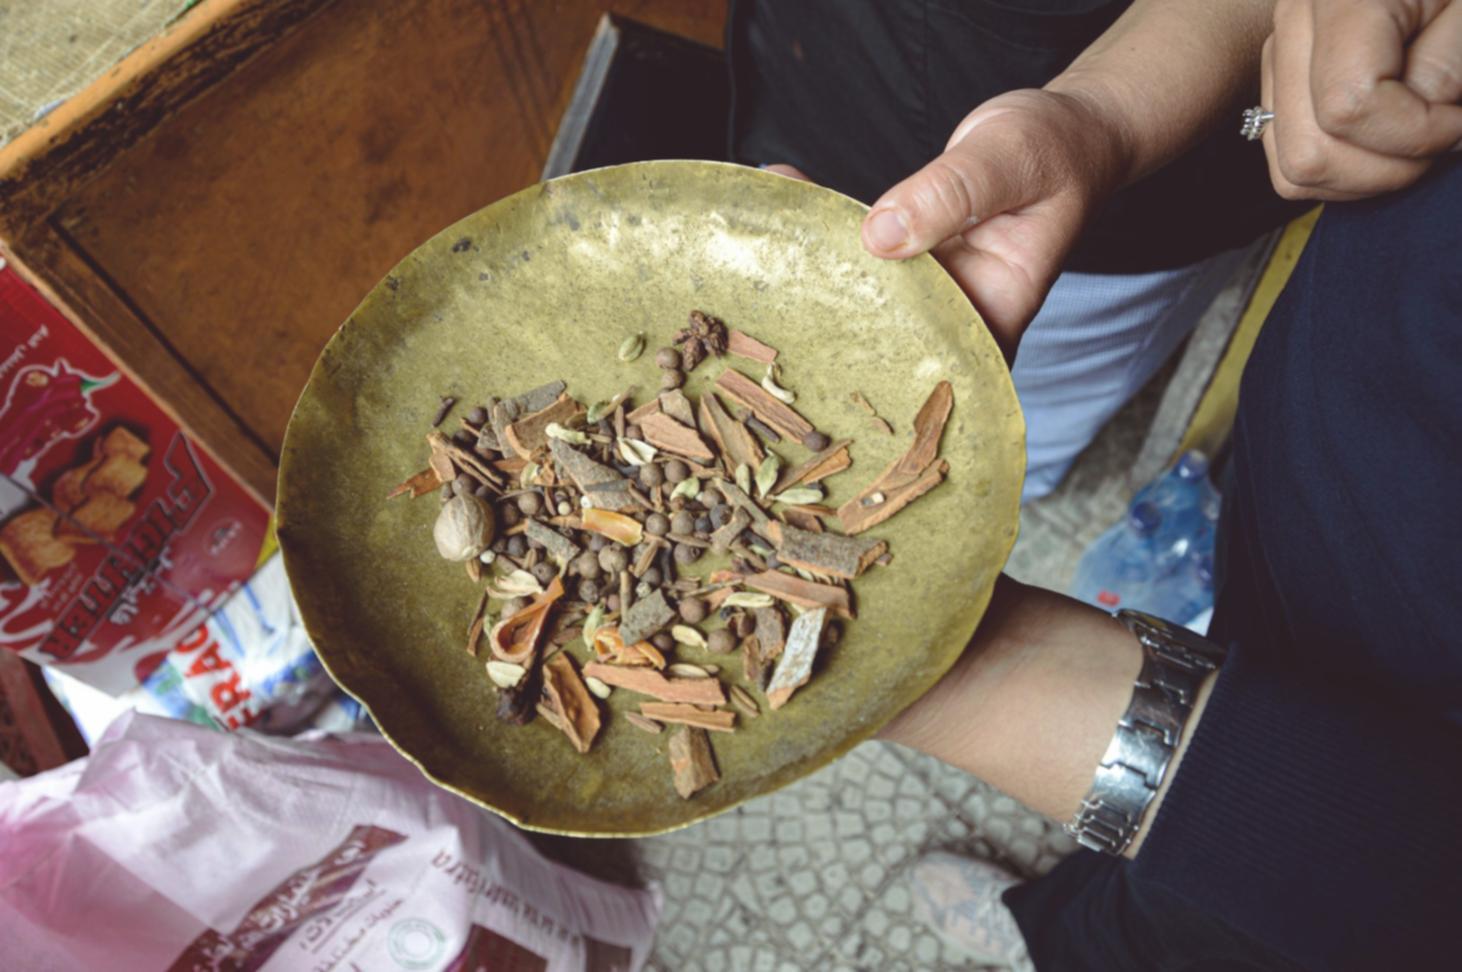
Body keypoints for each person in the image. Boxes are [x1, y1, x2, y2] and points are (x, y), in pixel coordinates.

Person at [787, 0, 1460, 968]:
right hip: (1326, 485)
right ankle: (1076, 908)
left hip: (1359, 895)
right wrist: (1099, 118)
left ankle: (1079, 938)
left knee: (1190, 932)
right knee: (1234, 685)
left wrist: (994, 677)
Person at [727, 0, 1303, 499]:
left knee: (1023, 418)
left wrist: (1100, 120)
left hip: (1089, 200)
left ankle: (1029, 480)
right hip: (813, 76)